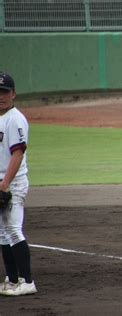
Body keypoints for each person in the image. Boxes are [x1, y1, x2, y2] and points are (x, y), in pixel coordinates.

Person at [0, 72, 37, 295]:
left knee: (13, 230)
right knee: (2, 233)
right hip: (2, 182)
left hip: (13, 183)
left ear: (13, 94)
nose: (1, 96)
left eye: (4, 92)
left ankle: (27, 281)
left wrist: (4, 184)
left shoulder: (15, 119)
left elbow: (18, 154)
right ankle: (12, 280)